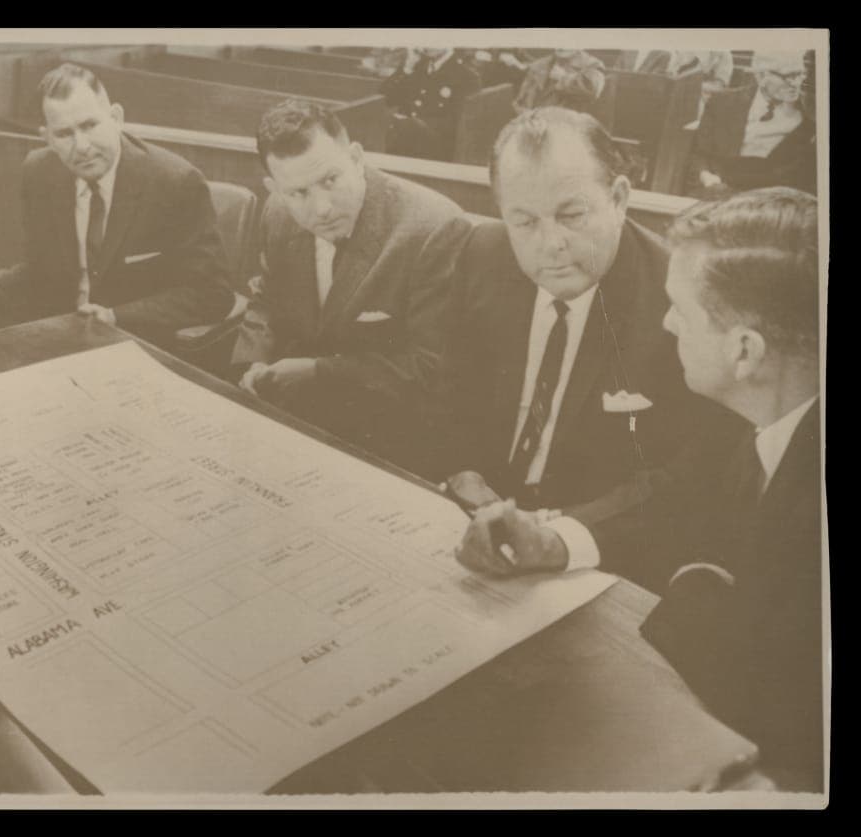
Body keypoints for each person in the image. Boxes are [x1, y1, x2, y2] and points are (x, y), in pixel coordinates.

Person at [455, 187, 823, 790]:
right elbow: (679, 497)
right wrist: (555, 541)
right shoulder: (756, 415)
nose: (667, 322)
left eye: (681, 308)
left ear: (744, 351)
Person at [428, 107, 711, 511]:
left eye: (572, 215)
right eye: (524, 222)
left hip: (593, 533)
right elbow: (453, 387)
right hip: (480, 506)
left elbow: (683, 470)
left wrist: (565, 536)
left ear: (619, 198)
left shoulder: (676, 296)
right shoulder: (483, 253)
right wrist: (460, 469)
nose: (550, 244)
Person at [232, 99, 472, 467]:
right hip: (296, 418)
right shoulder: (278, 213)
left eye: (330, 180)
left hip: (388, 434)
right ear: (274, 187)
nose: (321, 208)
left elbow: (430, 368)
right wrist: (253, 363)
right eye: (298, 193)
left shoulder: (433, 228)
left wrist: (317, 372)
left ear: (357, 158)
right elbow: (266, 299)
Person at [0, 63, 233, 344]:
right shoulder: (38, 172)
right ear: (46, 136)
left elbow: (212, 294)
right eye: (64, 134)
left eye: (90, 125)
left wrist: (115, 316)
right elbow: (40, 266)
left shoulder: (175, 182)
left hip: (129, 331)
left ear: (116, 117)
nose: (82, 146)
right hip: (63, 319)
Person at [690, 52, 816, 197]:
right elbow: (700, 153)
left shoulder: (813, 113)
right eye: (788, 76)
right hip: (721, 190)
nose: (795, 83)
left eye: (800, 74)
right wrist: (706, 176)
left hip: (775, 199)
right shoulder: (722, 103)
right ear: (761, 76)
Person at [381, 47, 483, 161]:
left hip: (434, 154)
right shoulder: (415, 66)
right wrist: (406, 69)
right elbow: (388, 98)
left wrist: (413, 124)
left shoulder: (467, 76)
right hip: (401, 145)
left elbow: (458, 125)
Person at [513, 49, 606, 116]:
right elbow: (521, 100)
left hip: (569, 130)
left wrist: (563, 78)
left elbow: (593, 90)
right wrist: (527, 117)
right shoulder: (540, 64)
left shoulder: (592, 65)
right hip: (534, 126)